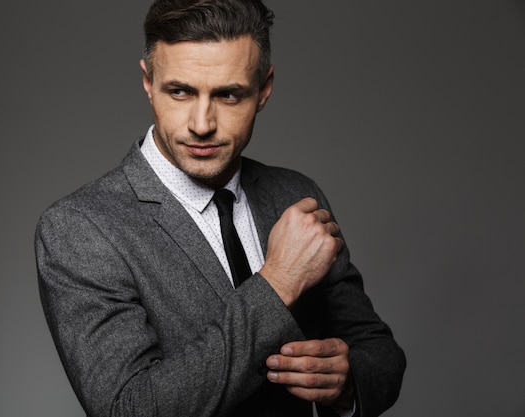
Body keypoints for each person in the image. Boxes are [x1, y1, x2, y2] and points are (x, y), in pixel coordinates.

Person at [35, 1, 406, 416]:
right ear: (148, 82)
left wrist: (348, 380)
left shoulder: (295, 194)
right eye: (180, 91)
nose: (201, 123)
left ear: (264, 89)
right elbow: (130, 408)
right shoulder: (80, 227)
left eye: (228, 94)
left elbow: (379, 350)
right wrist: (279, 282)